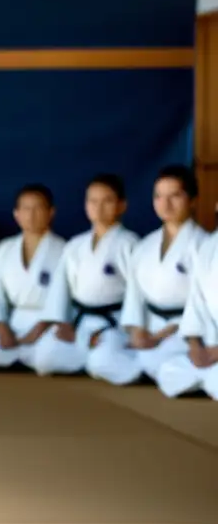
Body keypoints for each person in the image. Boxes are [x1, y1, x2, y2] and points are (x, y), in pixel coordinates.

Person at [92, 165, 209, 386]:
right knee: (99, 357)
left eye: (175, 196)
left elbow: (204, 303)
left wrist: (160, 336)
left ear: (192, 200)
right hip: (148, 326)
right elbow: (134, 296)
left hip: (183, 330)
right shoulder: (145, 246)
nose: (165, 204)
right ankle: (155, 371)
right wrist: (137, 331)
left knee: (158, 359)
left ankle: (155, 369)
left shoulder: (204, 245)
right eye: (159, 196)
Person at [32, 174, 139, 378]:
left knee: (101, 362)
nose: (98, 207)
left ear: (122, 205)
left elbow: (137, 292)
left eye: (107, 201)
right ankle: (89, 358)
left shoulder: (130, 243)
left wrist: (131, 329)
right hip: (80, 322)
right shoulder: (75, 245)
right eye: (92, 201)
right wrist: (62, 322)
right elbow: (60, 289)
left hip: (113, 323)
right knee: (43, 358)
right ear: (86, 205)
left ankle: (112, 360)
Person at [0, 184, 66, 372]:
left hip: (47, 328)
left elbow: (63, 300)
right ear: (16, 214)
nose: (31, 215)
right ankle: (22, 357)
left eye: (38, 208)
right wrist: (2, 330)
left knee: (48, 355)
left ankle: (25, 357)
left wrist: (37, 332)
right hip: (14, 324)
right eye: (26, 209)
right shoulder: (5, 249)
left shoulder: (63, 249)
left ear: (51, 212)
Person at [157, 228, 218, 399]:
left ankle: (209, 380)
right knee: (168, 371)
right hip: (210, 349)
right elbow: (195, 301)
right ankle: (208, 379)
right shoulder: (209, 246)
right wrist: (195, 346)